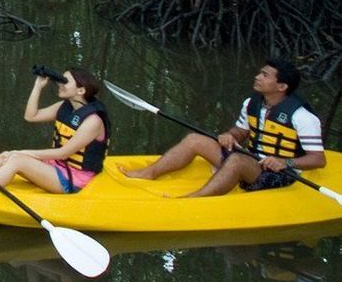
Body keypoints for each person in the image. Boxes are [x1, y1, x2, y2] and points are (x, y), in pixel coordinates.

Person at [120, 58, 324, 197]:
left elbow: (318, 159)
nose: (258, 77)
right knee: (194, 139)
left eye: (265, 75)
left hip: (280, 175)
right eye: (260, 73)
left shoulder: (302, 117)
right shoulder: (252, 103)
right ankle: (150, 173)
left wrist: (284, 162)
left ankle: (195, 199)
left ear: (281, 87)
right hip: (252, 160)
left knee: (235, 160)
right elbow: (241, 132)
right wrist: (228, 135)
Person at [0, 67, 111, 194]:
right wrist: (38, 86)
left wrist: (23, 153)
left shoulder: (92, 121)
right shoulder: (64, 107)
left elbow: (63, 153)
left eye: (65, 81)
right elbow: (31, 116)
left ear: (81, 90)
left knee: (17, 160)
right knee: (7, 156)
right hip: (56, 167)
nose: (60, 83)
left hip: (73, 180)